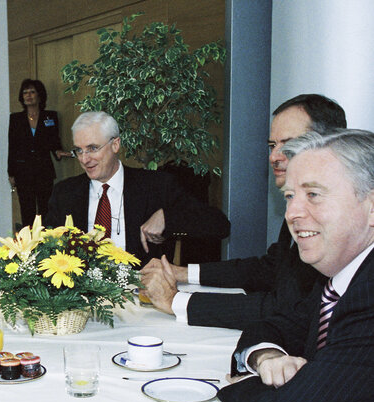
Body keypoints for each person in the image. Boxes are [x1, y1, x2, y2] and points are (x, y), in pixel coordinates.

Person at [218, 129, 374, 402]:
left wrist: (236, 383)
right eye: (289, 196)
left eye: (313, 195)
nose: (292, 213)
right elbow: (276, 325)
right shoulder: (340, 280)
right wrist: (266, 356)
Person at [140, 94, 346, 329]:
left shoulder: (336, 214)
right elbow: (268, 269)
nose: (273, 157)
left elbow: (284, 308)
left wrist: (176, 301)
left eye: (288, 145)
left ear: (327, 144)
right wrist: (182, 273)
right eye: (272, 145)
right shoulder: (299, 204)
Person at [44, 111, 230, 267]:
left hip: (141, 297)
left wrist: (167, 217)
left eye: (92, 148)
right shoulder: (65, 194)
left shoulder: (156, 186)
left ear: (115, 144)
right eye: (79, 150)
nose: (84, 159)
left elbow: (219, 225)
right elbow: (45, 248)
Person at [8, 79, 72, 227]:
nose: (28, 96)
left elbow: (54, 140)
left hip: (44, 170)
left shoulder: (50, 116)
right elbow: (12, 146)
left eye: (32, 92)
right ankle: (28, 244)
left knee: (45, 208)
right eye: (25, 93)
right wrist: (11, 173)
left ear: (39, 95)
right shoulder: (15, 119)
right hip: (22, 172)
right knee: (27, 209)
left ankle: (45, 242)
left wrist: (58, 151)